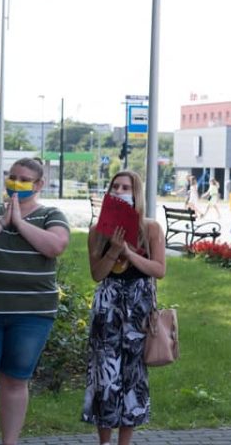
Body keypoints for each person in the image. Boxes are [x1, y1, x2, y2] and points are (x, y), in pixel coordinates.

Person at [0, 157, 71, 445]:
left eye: (23, 179)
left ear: (39, 184)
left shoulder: (50, 214)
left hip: (32, 315)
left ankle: (10, 442)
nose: (15, 183)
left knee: (15, 381)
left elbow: (56, 245)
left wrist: (19, 222)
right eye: (12, 176)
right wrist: (2, 222)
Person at [81, 170, 166, 445]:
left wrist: (130, 253)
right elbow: (97, 274)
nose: (120, 191)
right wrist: (114, 251)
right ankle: (104, 440)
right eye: (115, 187)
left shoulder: (150, 228)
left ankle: (124, 442)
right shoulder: (97, 231)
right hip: (108, 307)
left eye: (126, 187)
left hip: (139, 308)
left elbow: (159, 269)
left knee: (133, 375)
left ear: (136, 192)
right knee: (105, 375)